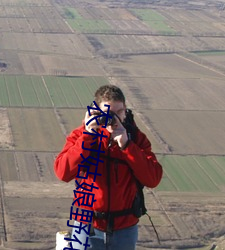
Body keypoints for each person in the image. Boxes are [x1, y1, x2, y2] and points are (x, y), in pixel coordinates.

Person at [54, 85, 163, 250]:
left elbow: (153, 178)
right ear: (96, 111)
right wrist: (88, 137)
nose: (114, 118)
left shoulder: (136, 139)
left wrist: (127, 146)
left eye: (119, 112)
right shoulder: (82, 135)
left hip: (124, 227)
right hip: (87, 224)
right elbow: (63, 173)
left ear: (125, 111)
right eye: (108, 113)